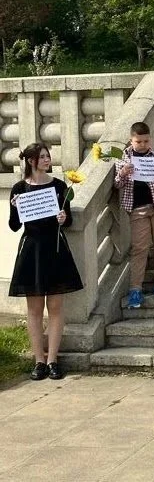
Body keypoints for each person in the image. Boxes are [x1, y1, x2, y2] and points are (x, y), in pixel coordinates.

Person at [8, 143, 83, 381]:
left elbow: (68, 219)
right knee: (34, 309)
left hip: (55, 249)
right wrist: (16, 208)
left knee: (56, 307)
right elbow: (14, 226)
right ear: (31, 161)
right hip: (32, 250)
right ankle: (38, 359)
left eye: (47, 156)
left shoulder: (60, 186)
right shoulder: (19, 188)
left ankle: (53, 360)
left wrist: (64, 217)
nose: (47, 159)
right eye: (42, 157)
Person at [115, 122, 154, 309]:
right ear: (131, 140)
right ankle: (136, 289)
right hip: (137, 209)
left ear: (150, 139)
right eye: (138, 141)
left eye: (146, 141)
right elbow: (117, 184)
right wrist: (123, 173)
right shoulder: (123, 158)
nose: (142, 144)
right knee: (140, 248)